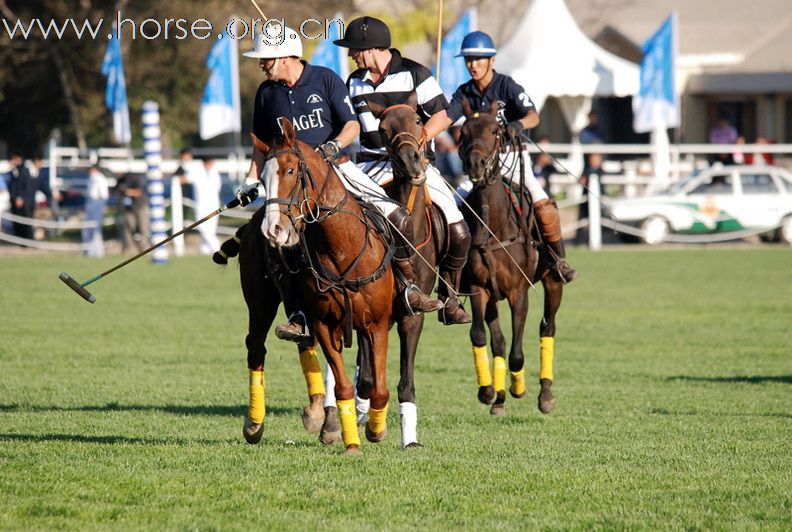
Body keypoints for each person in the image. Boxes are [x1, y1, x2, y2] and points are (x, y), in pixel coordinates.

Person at [240, 25, 447, 341]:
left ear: (284, 57)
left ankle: (409, 287)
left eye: (266, 59)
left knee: (397, 217)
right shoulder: (266, 93)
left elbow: (351, 124)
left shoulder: (326, 79)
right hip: (292, 180)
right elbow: (261, 144)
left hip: (337, 169)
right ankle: (299, 313)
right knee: (278, 239)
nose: (261, 65)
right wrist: (249, 180)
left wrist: (335, 145)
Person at [333, 16, 472, 324]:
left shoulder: (415, 73)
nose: (351, 55)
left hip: (417, 163)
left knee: (459, 229)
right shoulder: (354, 82)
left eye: (354, 49)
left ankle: (450, 297)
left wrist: (420, 141)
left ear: (370, 48)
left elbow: (443, 114)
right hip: (371, 164)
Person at [444, 31, 577, 283]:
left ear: (492, 60)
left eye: (478, 59)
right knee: (452, 205)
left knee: (543, 205)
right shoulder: (464, 93)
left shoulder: (507, 85)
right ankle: (452, 274)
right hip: (479, 167)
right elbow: (447, 117)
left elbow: (533, 115)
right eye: (469, 59)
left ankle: (558, 260)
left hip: (512, 160)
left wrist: (517, 125)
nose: (472, 64)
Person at [177, 149, 221, 255]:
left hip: (214, 204)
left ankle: (210, 250)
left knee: (210, 230)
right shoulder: (198, 172)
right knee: (203, 228)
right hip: (202, 205)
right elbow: (184, 178)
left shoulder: (215, 173)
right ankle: (216, 250)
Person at [115, 172, 149, 253]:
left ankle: (144, 247)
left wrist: (128, 191)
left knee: (143, 227)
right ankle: (129, 248)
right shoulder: (120, 180)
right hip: (128, 208)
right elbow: (116, 191)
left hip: (140, 206)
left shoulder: (135, 178)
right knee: (128, 227)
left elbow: (139, 192)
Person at [81, 164, 109, 257]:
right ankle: (88, 250)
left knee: (96, 227)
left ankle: (98, 251)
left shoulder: (100, 179)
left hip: (97, 203)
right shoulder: (91, 179)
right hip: (90, 202)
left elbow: (104, 194)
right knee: (88, 228)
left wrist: (102, 206)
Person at [576, 153, 603, 246]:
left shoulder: (601, 171)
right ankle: (579, 242)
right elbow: (580, 181)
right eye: (592, 159)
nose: (594, 161)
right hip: (585, 201)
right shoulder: (586, 170)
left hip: (598, 202)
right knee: (582, 221)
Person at [8, 152, 37, 240]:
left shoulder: (23, 170)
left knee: (26, 222)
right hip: (15, 200)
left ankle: (28, 240)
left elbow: (22, 186)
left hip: (24, 201)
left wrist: (20, 197)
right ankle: (20, 239)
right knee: (18, 222)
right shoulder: (14, 171)